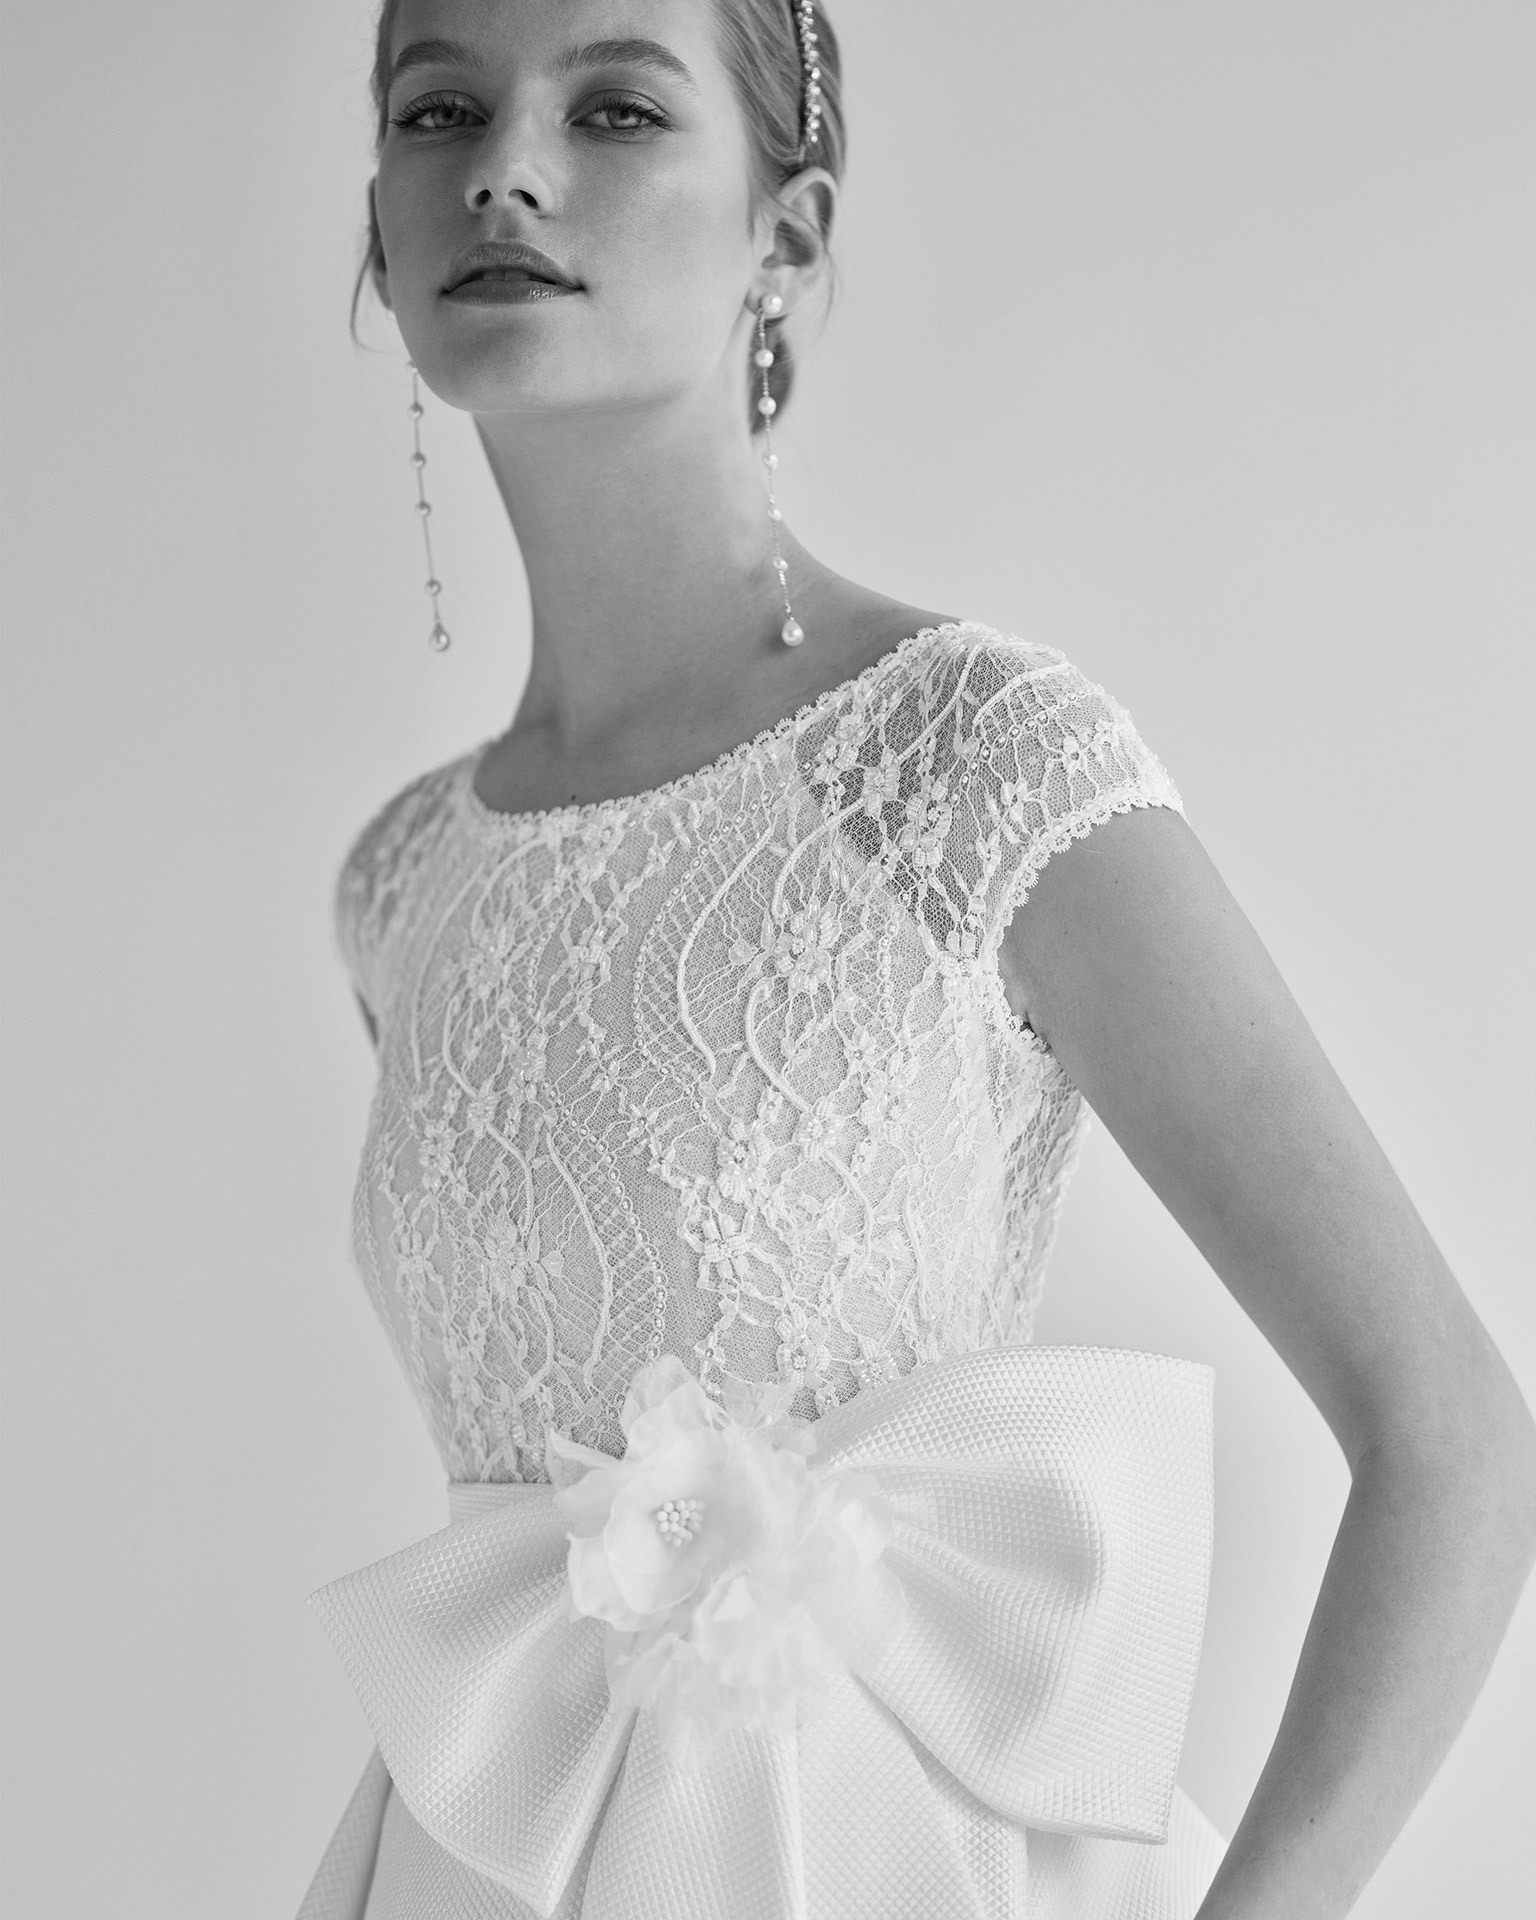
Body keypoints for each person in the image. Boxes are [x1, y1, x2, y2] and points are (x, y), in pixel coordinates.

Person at [296, 4, 1536, 1917]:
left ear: (785, 234)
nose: (504, 172)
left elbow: (1452, 1436)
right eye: (437, 107)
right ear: (380, 230)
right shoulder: (400, 882)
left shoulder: (968, 761)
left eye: (614, 108)